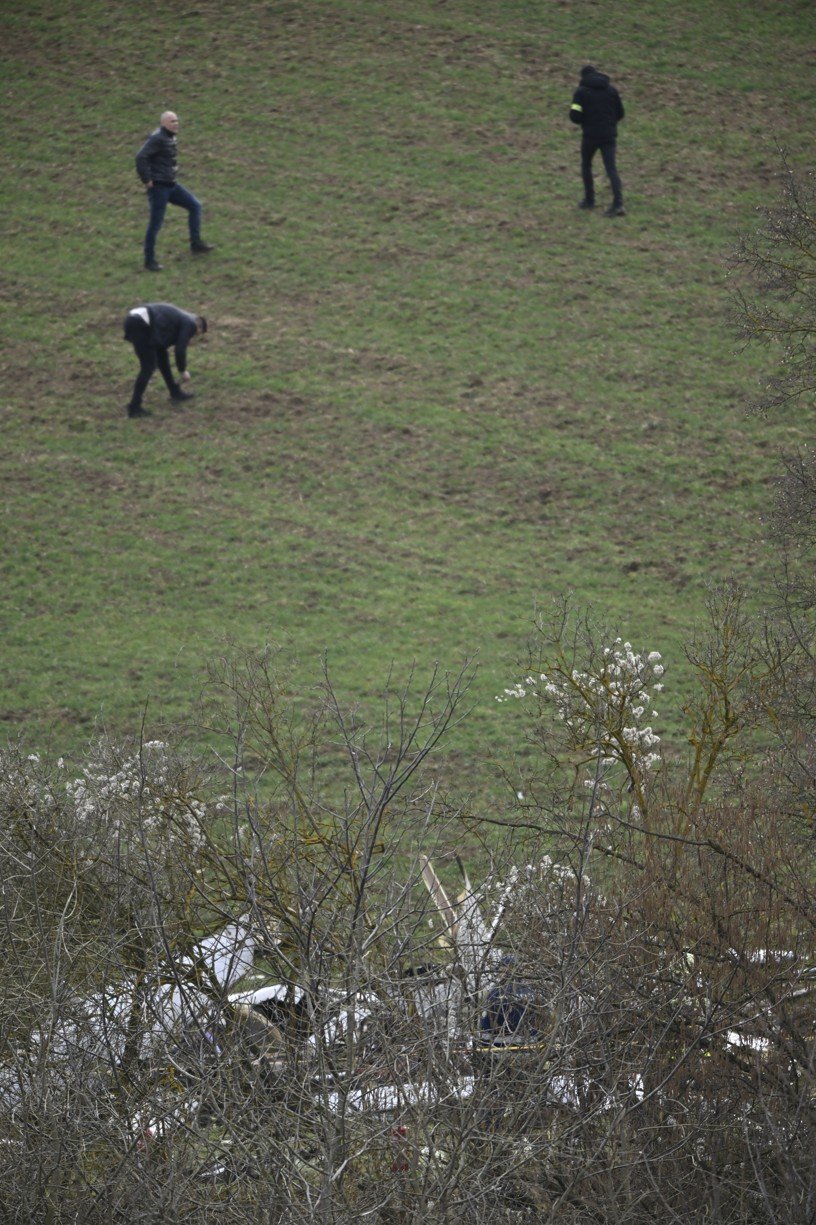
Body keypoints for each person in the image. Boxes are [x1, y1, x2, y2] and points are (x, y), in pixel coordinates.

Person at [135, 111, 214, 270]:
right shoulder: (158, 138)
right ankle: (149, 261)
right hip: (159, 188)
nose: (176, 124)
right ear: (163, 123)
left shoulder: (169, 137)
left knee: (195, 206)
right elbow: (140, 157)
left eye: (177, 121)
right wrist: (147, 179)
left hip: (171, 185)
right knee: (155, 224)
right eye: (172, 121)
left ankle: (196, 244)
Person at [123, 302, 207, 418]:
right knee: (148, 367)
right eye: (196, 334)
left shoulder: (181, 317)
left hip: (134, 319)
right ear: (199, 326)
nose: (193, 336)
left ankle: (174, 392)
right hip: (141, 323)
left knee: (162, 356)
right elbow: (180, 350)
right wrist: (182, 371)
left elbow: (162, 341)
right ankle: (134, 407)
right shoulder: (191, 323)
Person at [569, 65, 625, 217]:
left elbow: (574, 116)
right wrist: (609, 123)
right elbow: (620, 113)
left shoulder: (581, 92)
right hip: (609, 135)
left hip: (590, 136)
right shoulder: (611, 90)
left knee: (586, 165)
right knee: (611, 168)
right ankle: (618, 203)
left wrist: (586, 120)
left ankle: (589, 200)